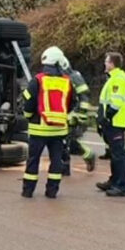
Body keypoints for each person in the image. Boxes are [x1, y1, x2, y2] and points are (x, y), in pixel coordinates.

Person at [21, 46, 74, 199]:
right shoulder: (67, 82)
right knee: (56, 161)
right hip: (59, 130)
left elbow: (28, 102)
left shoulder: (37, 80)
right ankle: (52, 191)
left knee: (33, 160)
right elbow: (71, 103)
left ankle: (28, 191)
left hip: (39, 129)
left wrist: (28, 116)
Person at [96, 52, 125, 197]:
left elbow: (116, 103)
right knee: (114, 153)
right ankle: (114, 180)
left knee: (119, 155)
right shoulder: (114, 78)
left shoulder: (118, 79)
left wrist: (107, 117)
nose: (105, 64)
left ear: (112, 64)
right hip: (113, 122)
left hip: (115, 122)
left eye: (106, 61)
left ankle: (123, 186)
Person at [58, 56, 96, 174]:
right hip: (64, 114)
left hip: (74, 116)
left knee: (65, 141)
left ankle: (64, 168)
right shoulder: (60, 78)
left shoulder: (74, 77)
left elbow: (84, 96)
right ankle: (88, 154)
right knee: (68, 142)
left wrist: (79, 114)